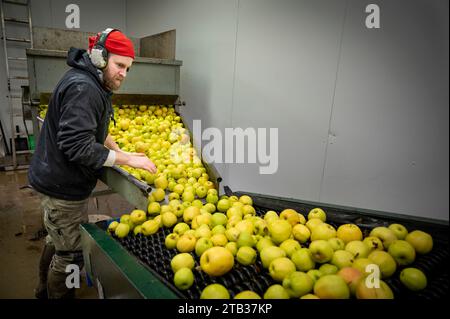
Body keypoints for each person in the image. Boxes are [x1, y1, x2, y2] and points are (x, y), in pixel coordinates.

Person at [28, 28, 156, 299]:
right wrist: (128, 159)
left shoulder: (90, 81)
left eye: (128, 68)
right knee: (70, 255)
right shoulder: (84, 87)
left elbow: (90, 125)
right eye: (119, 65)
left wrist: (113, 146)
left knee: (57, 239)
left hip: (55, 179)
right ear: (100, 57)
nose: (124, 73)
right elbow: (77, 146)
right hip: (62, 187)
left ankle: (42, 289)